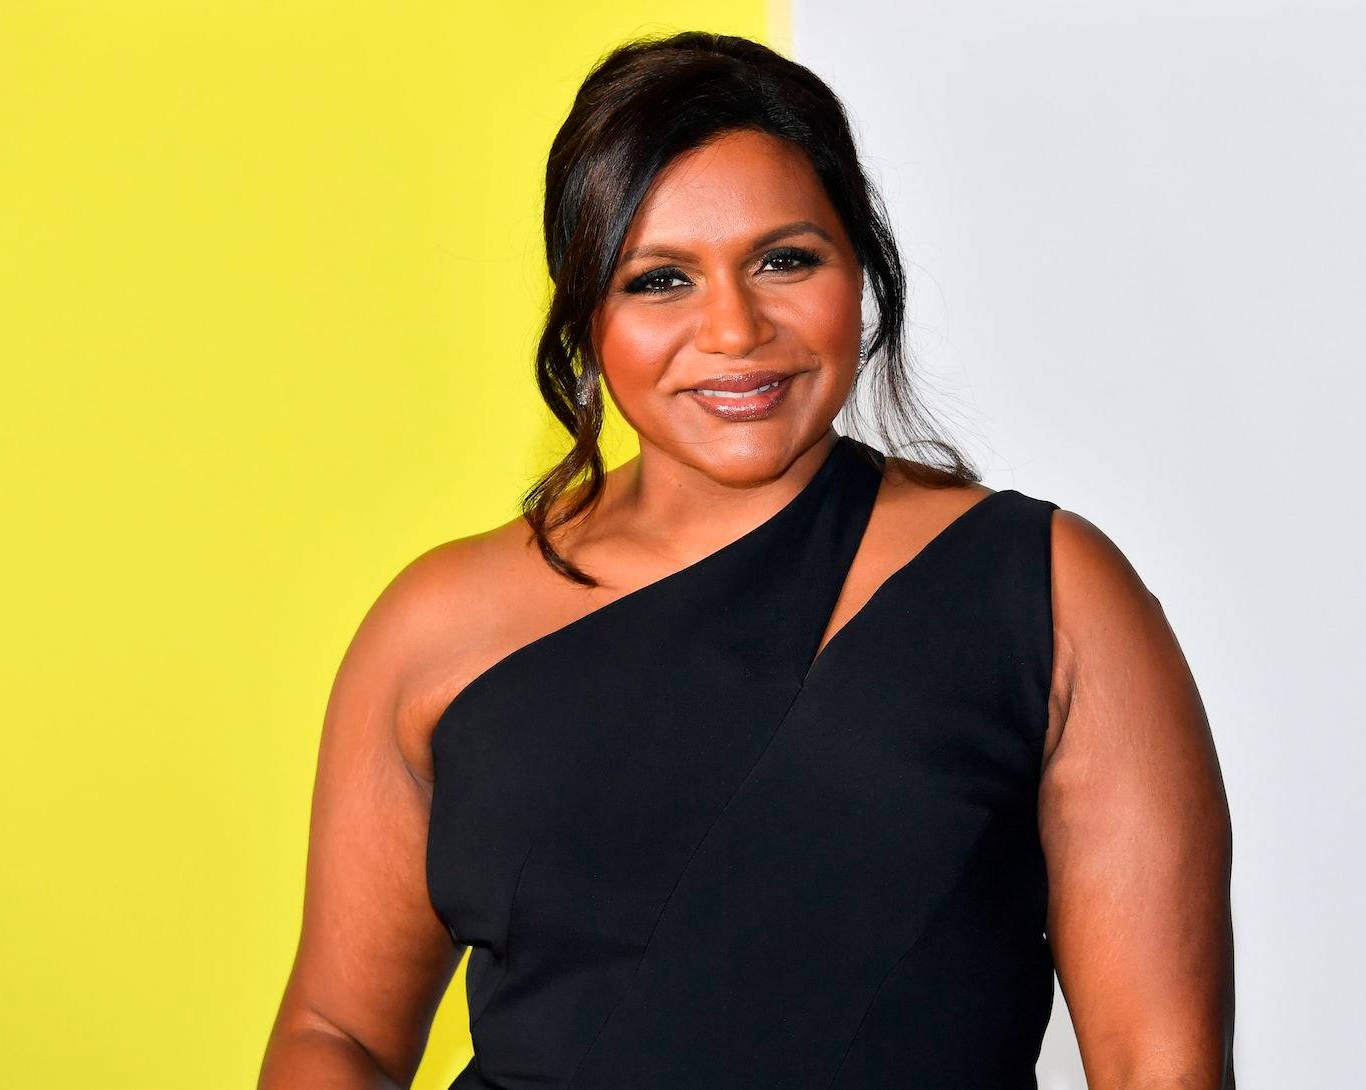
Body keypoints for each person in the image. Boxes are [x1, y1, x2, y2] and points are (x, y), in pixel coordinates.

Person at [258, 30, 1235, 1090]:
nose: (733, 328)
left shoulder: (1053, 593)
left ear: (861, 270)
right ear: (586, 314)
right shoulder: (435, 625)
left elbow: (1160, 1062)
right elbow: (334, 1032)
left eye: (784, 259)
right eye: (661, 277)